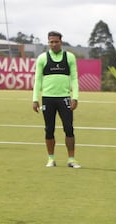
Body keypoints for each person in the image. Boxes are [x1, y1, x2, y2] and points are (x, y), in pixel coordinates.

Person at [32, 31, 80, 168]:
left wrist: (75, 97)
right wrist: (35, 99)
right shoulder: (42, 58)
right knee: (49, 129)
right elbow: (38, 80)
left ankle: (71, 159)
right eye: (51, 42)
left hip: (64, 98)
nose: (53, 44)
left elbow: (75, 78)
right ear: (48, 43)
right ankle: (51, 159)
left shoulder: (69, 57)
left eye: (56, 41)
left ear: (61, 42)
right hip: (48, 99)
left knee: (69, 129)